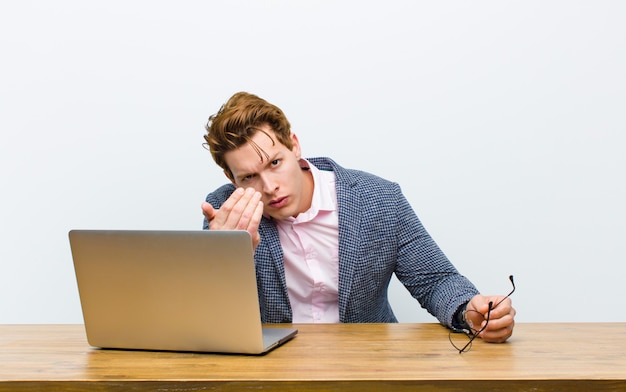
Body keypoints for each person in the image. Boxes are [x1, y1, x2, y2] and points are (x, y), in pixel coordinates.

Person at [201, 92, 516, 343]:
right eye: (249, 177)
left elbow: (435, 280)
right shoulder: (224, 211)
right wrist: (227, 256)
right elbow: (212, 319)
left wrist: (467, 311)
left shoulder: (378, 199)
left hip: (368, 366)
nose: (270, 187)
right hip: (271, 372)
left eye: (274, 163)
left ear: (294, 146)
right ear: (232, 179)